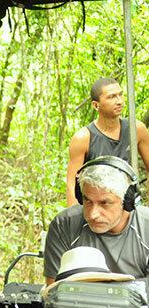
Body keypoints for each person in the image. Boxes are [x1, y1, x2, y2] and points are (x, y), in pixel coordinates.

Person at [45, 156, 149, 283]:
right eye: (88, 201)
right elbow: (54, 290)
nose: (93, 214)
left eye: (105, 203)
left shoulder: (146, 228)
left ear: (128, 201)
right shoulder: (64, 225)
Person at [65, 77, 149, 207]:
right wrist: (73, 216)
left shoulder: (136, 129)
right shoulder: (83, 138)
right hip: (97, 207)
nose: (119, 101)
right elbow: (71, 185)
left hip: (128, 206)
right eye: (112, 97)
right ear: (96, 105)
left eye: (120, 95)